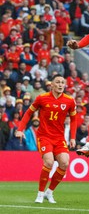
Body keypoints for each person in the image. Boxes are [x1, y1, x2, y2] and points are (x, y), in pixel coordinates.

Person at [15, 74, 77, 203]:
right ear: (52, 85)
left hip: (59, 138)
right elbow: (28, 113)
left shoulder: (69, 101)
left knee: (65, 163)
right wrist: (20, 129)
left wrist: (72, 138)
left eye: (62, 82)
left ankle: (49, 192)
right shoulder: (42, 98)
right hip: (44, 136)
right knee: (48, 162)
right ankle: (40, 194)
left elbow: (74, 119)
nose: (60, 85)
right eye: (58, 82)